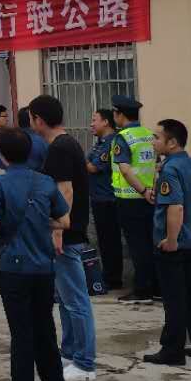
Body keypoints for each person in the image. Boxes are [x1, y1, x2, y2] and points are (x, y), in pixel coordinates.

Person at [0, 127, 71, 381]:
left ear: (2, 156)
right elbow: (65, 221)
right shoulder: (44, 182)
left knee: (21, 335)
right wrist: (41, 222)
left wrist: (11, 224)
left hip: (14, 267)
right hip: (44, 267)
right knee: (45, 329)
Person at [31, 94, 97, 381]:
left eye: (32, 118)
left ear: (39, 120)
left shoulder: (59, 148)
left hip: (66, 236)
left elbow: (65, 191)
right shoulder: (67, 144)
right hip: (69, 232)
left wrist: (58, 229)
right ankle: (70, 352)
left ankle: (85, 363)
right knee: (67, 300)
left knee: (76, 300)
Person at [145, 119, 191, 365]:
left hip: (175, 245)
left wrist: (171, 240)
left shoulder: (170, 170)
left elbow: (175, 207)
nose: (152, 141)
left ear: (172, 142)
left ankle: (172, 349)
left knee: (174, 299)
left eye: (157, 137)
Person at [111, 95, 160, 304]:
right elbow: (156, 166)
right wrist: (150, 191)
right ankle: (156, 287)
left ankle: (142, 289)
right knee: (151, 243)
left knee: (138, 246)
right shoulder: (149, 135)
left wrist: (142, 191)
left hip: (131, 199)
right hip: (150, 198)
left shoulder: (122, 137)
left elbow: (125, 169)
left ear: (120, 114)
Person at [86, 109, 123, 290]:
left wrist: (75, 159)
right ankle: (109, 275)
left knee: (110, 241)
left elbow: (93, 167)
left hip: (108, 198)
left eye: (95, 120)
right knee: (104, 240)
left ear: (106, 122)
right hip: (98, 197)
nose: (91, 124)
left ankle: (113, 278)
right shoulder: (100, 143)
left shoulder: (111, 142)